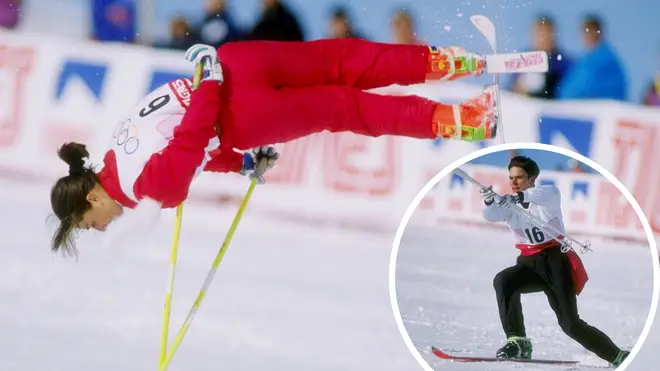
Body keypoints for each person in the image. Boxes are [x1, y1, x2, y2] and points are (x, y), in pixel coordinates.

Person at [49, 38, 498, 255]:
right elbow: (189, 145)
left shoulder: (145, 190)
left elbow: (195, 137)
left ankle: (462, 121)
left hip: (240, 110)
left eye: (89, 224)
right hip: (238, 62)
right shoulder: (113, 152)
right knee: (341, 59)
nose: (102, 228)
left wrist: (211, 85)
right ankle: (447, 62)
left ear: (91, 198)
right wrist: (239, 162)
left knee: (345, 108)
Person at [479, 156, 629, 366]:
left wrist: (517, 197)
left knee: (570, 325)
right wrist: (488, 200)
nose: (513, 182)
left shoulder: (548, 196)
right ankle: (518, 341)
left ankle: (617, 355)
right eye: (511, 178)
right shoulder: (509, 205)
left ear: (532, 179)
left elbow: (541, 194)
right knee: (503, 281)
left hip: (556, 264)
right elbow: (490, 215)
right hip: (528, 264)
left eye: (519, 178)